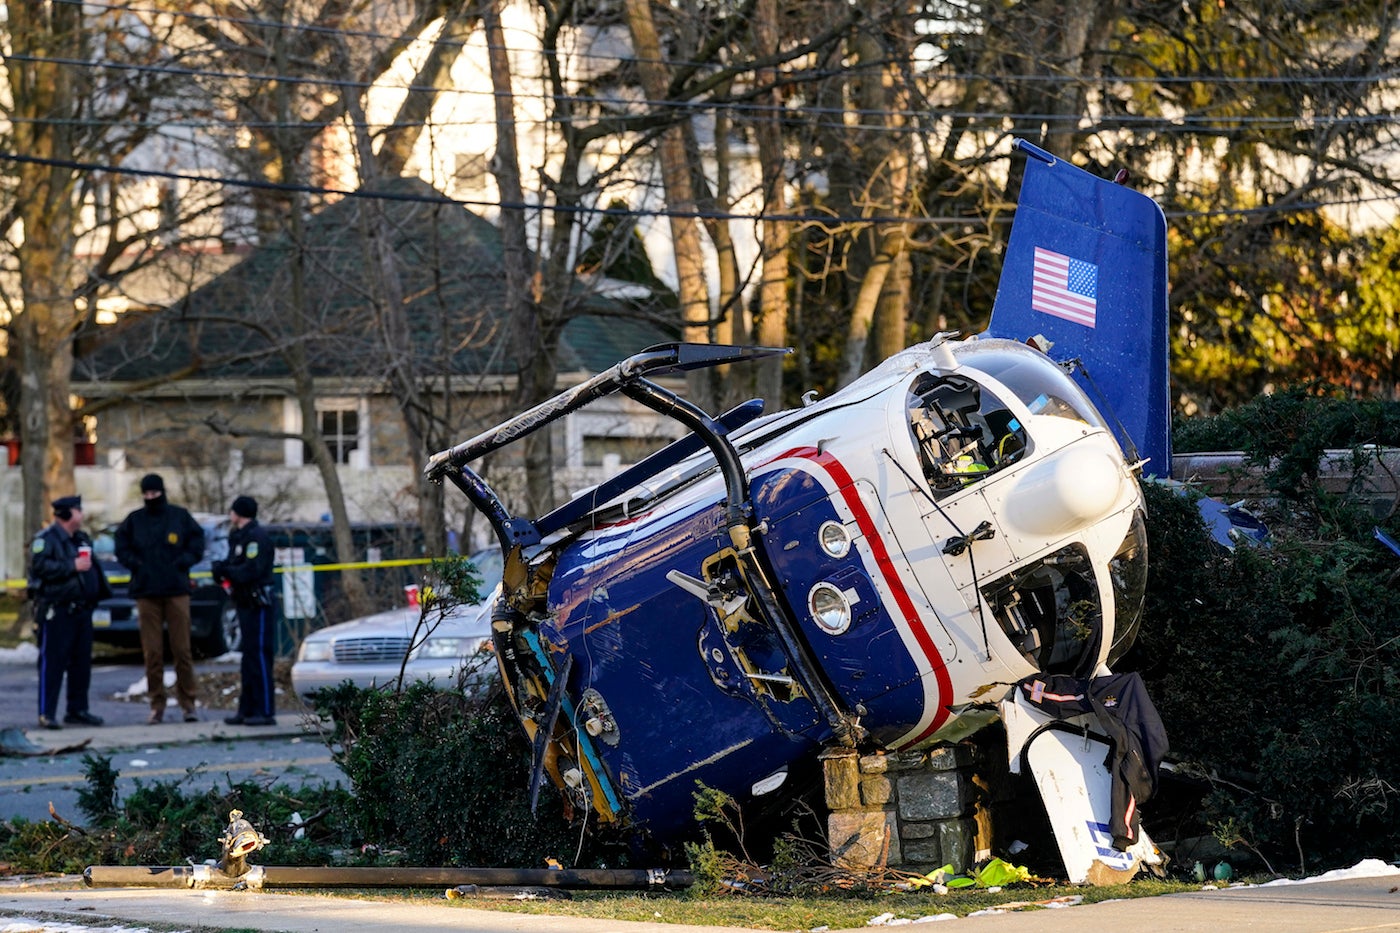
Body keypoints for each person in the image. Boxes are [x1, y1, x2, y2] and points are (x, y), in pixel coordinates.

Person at [114, 473, 205, 724]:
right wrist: (136, 564)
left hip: (176, 590)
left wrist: (184, 562)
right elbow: (120, 546)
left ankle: (188, 703)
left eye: (154, 493)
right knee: (152, 653)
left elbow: (198, 542)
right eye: (146, 494)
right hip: (146, 592)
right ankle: (157, 704)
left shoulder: (179, 516)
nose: (150, 498)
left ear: (162, 492)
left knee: (182, 650)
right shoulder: (135, 521)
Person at [28, 495, 111, 730]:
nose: (81, 514)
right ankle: (47, 713)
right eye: (78, 510)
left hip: (82, 611)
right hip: (58, 610)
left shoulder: (81, 538)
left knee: (81, 664)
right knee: (52, 664)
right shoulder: (46, 540)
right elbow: (39, 568)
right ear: (66, 514)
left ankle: (78, 709)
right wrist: (71, 566)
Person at [212, 495, 278, 726]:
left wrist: (228, 571)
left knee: (259, 655)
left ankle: (265, 710)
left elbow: (252, 570)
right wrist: (222, 570)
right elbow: (235, 565)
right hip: (243, 601)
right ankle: (247, 708)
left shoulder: (256, 538)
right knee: (247, 657)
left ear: (238, 513)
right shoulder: (238, 536)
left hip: (257, 603)